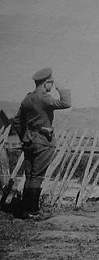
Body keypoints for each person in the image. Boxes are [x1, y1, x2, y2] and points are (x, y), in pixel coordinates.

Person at [12, 68, 71, 219]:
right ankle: (32, 212)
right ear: (46, 83)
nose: (52, 86)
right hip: (43, 141)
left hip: (29, 141)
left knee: (30, 175)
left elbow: (17, 121)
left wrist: (25, 137)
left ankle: (25, 210)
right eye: (51, 83)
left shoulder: (27, 99)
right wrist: (62, 87)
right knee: (37, 177)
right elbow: (66, 103)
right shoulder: (44, 98)